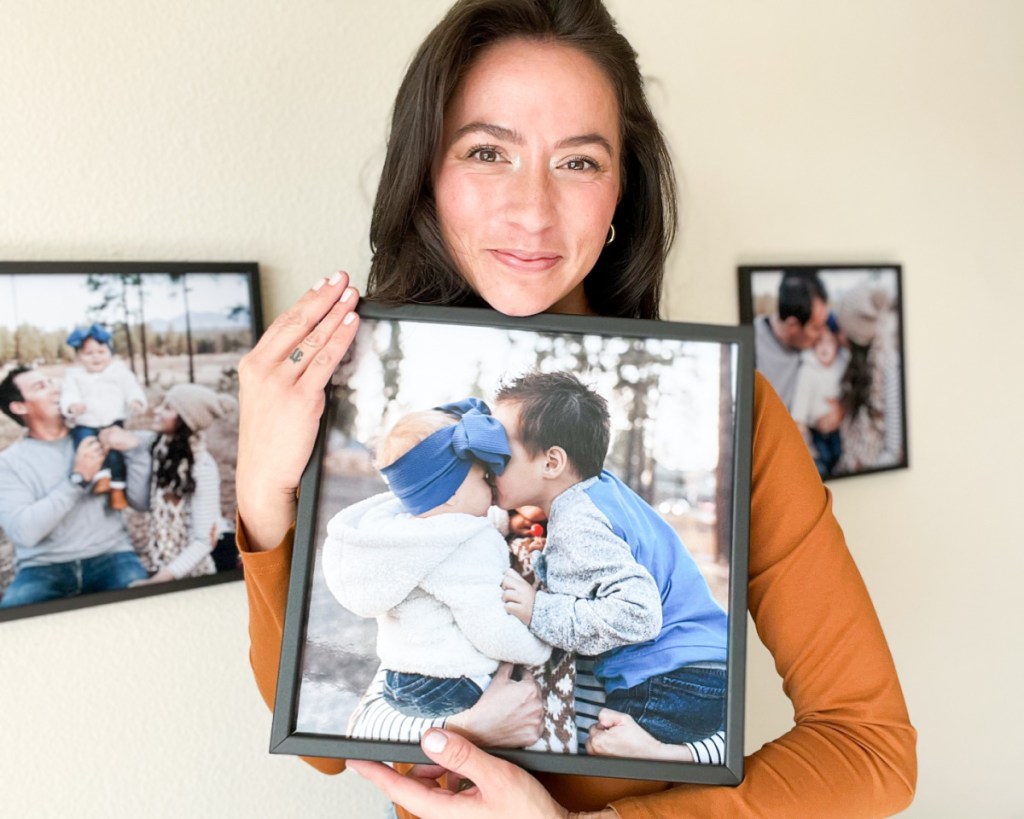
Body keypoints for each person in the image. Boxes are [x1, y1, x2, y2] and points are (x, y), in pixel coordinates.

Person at [235, 1, 916, 816]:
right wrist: (260, 497)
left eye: (580, 162)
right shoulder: (374, 406)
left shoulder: (740, 411)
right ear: (427, 174)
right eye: (488, 151)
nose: (532, 209)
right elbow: (318, 743)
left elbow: (871, 752)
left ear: (621, 189)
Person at [493, 371, 728, 753]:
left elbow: (639, 614)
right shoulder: (602, 493)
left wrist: (539, 610)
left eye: (501, 452)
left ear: (552, 461)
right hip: (704, 671)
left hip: (668, 680)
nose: (491, 462)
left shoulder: (578, 522)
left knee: (602, 771)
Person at [321, 398, 550, 722]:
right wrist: (539, 648)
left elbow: (455, 523)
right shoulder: (469, 546)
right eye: (484, 479)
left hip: (396, 681)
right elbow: (491, 629)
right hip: (454, 684)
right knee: (524, 707)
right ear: (454, 492)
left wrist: (505, 522)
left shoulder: (399, 533)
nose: (491, 487)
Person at [0, 366, 149, 607]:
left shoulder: (102, 436)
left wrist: (135, 451)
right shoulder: (8, 464)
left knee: (148, 616)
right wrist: (77, 479)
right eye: (41, 386)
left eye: (52, 382)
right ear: (19, 407)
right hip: (43, 569)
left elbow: (141, 502)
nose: (56, 388)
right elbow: (24, 533)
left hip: (112, 557)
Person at [130, 384, 237, 585]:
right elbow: (133, 440)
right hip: (169, 560)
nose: (157, 411)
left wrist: (158, 581)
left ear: (186, 421)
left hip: (206, 561)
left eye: (168, 408)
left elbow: (205, 541)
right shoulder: (160, 448)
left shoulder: (202, 466)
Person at [60, 323, 147, 511]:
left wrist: (135, 400)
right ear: (79, 357)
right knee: (86, 447)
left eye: (101, 351)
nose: (96, 357)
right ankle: (101, 478)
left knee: (115, 453)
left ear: (110, 353)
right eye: (89, 353)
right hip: (86, 421)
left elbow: (131, 388)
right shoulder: (74, 375)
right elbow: (68, 394)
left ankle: (117, 489)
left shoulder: (119, 372)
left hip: (112, 421)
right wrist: (72, 405)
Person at [835, 281, 904, 474]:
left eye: (842, 329)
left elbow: (894, 449)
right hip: (849, 463)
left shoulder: (890, 365)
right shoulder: (855, 359)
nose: (838, 335)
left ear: (856, 334)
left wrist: (862, 475)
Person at [752, 271, 830, 411]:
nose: (824, 334)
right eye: (816, 328)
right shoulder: (752, 346)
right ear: (792, 326)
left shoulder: (820, 341)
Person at [789, 316, 850, 479]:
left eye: (830, 342)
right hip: (816, 431)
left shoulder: (842, 365)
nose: (824, 347)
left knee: (839, 456)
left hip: (840, 430)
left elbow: (849, 393)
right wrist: (800, 423)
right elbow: (801, 400)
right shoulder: (808, 370)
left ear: (837, 345)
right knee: (822, 462)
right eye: (820, 342)